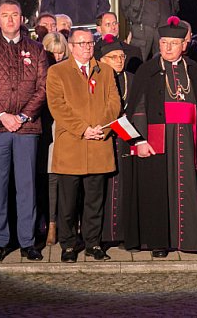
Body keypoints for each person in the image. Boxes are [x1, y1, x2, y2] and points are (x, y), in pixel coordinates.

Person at [121, 16, 197, 257]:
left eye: (173, 44)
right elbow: (137, 108)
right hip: (157, 139)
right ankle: (159, 242)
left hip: (189, 138)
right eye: (163, 42)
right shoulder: (148, 70)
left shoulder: (195, 71)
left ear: (183, 45)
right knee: (159, 189)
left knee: (188, 186)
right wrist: (140, 141)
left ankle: (190, 240)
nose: (167, 48)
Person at [0, 0, 49, 262]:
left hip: (27, 126)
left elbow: (43, 87)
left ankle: (27, 241)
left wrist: (24, 115)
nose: (9, 20)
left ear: (22, 18)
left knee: (27, 185)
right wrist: (3, 115)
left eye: (14, 15)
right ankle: (1, 240)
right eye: (4, 15)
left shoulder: (37, 48)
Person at [47, 29, 122, 263]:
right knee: (68, 201)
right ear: (71, 46)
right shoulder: (57, 72)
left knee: (94, 200)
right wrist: (82, 129)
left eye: (90, 42)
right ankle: (68, 245)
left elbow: (114, 103)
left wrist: (102, 127)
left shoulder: (106, 71)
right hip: (71, 144)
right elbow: (58, 107)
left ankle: (93, 243)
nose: (87, 47)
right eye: (82, 43)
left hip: (99, 142)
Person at [95, 34, 133, 247]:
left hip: (126, 140)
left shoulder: (132, 79)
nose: (119, 60)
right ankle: (101, 234)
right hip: (102, 138)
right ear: (102, 60)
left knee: (124, 187)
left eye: (121, 56)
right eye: (113, 57)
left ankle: (122, 233)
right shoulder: (95, 78)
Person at [40, 31, 69, 246]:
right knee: (50, 177)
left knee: (65, 177)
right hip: (45, 127)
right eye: (52, 52)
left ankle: (66, 222)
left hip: (65, 126)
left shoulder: (68, 71)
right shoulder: (41, 71)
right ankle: (51, 223)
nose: (56, 57)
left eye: (60, 53)